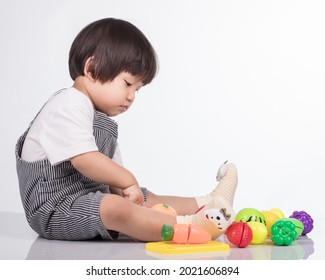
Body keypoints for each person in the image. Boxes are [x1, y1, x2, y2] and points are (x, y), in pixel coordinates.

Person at [15, 18, 238, 242]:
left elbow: (112, 177)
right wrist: (126, 181)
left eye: (138, 90)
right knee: (115, 206)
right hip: (54, 210)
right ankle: (188, 227)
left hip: (86, 199)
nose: (131, 96)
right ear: (92, 68)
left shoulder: (100, 121)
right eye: (128, 84)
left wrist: (131, 194)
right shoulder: (69, 104)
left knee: (141, 197)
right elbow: (86, 160)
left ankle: (207, 203)